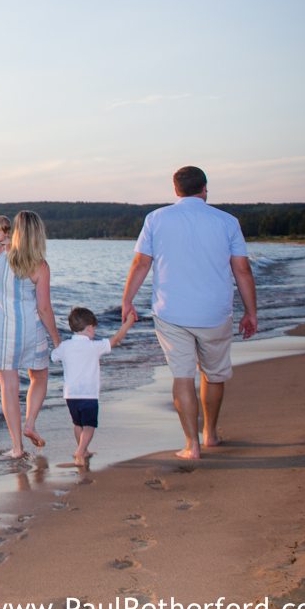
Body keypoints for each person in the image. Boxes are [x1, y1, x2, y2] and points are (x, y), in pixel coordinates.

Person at [120, 165, 258, 460]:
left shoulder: (156, 218)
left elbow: (140, 264)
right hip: (215, 312)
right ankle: (210, 434)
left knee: (182, 377)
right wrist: (251, 312)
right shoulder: (227, 221)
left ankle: (191, 445)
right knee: (214, 375)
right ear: (204, 188)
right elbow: (242, 270)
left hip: (171, 312)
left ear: (176, 190)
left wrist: (127, 300)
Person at [0, 209, 63, 459]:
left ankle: (17, 447)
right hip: (30, 330)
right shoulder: (39, 265)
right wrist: (56, 339)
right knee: (39, 376)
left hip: (0, 333)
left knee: (9, 387)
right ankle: (30, 423)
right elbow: (44, 308)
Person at [50, 306, 135, 468]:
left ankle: (83, 449)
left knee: (78, 424)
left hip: (70, 395)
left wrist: (58, 343)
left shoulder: (65, 346)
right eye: (94, 329)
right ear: (89, 328)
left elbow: (54, 356)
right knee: (89, 425)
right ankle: (80, 451)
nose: (94, 332)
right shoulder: (94, 346)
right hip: (88, 394)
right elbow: (116, 340)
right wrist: (128, 323)